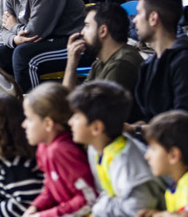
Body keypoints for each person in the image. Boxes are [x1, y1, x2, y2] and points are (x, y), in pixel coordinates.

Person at [68, 81, 166, 215]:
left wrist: (100, 207)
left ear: (96, 128)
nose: (70, 122)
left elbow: (139, 208)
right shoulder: (95, 149)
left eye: (77, 117)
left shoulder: (125, 160)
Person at [130, 0, 188, 131]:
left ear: (153, 18)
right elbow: (146, 117)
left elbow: (184, 124)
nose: (134, 20)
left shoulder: (187, 61)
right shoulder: (150, 64)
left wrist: (136, 130)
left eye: (138, 14)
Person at [21, 82, 97, 216]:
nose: (24, 125)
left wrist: (46, 215)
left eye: (29, 119)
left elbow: (89, 199)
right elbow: (50, 188)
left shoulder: (62, 151)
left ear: (48, 124)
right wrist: (36, 207)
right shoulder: (43, 147)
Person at [61, 3, 142, 95]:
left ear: (103, 31)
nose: (82, 32)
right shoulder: (100, 62)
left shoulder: (120, 65)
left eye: (87, 26)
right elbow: (73, 100)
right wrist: (72, 62)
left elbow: (81, 106)